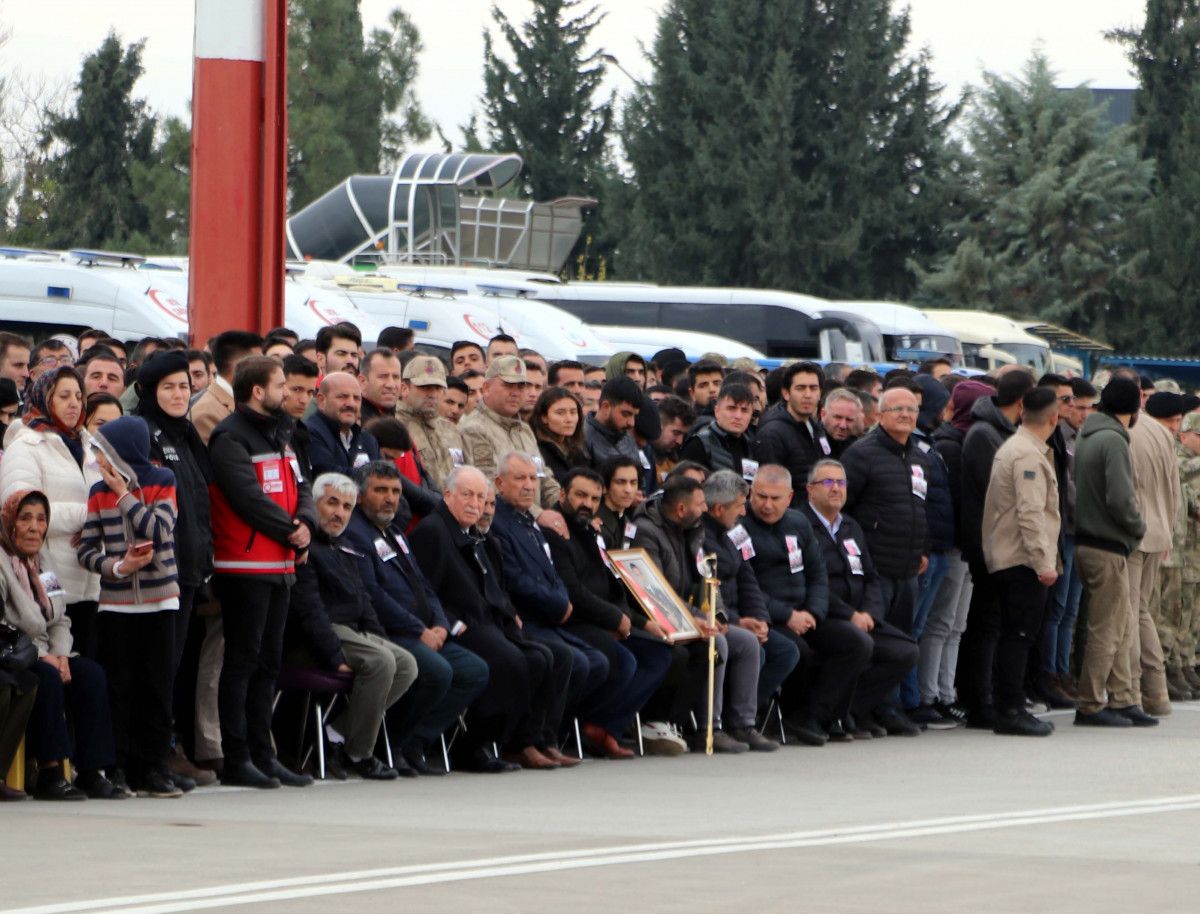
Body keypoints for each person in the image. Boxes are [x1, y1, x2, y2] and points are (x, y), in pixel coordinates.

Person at [410, 466, 569, 771]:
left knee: (546, 657)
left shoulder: (478, 535)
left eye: (481, 497)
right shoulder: (433, 531)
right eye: (467, 495)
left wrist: (510, 615)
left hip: (488, 620)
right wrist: (451, 624)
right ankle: (472, 746)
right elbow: (423, 590)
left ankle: (519, 742)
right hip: (458, 625)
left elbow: (495, 587)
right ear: (447, 495)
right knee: (510, 662)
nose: (475, 504)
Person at [208, 356, 316, 787]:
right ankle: (237, 757)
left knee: (269, 663)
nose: (288, 392)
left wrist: (306, 525)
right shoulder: (229, 437)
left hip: (281, 565)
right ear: (257, 391)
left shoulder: (282, 432)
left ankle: (262, 753)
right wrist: (294, 531)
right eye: (281, 385)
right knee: (242, 662)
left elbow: (302, 485)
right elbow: (247, 499)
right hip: (245, 565)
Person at [345, 461, 488, 774]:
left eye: (395, 491)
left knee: (474, 670)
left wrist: (439, 622)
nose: (390, 498)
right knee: (437, 671)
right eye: (380, 490)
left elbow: (423, 584)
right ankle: (390, 745)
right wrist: (418, 629)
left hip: (423, 629)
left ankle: (415, 741)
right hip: (391, 631)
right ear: (359, 496)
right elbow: (373, 595)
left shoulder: (395, 532)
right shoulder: (355, 533)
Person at [78, 416, 185, 796]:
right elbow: (87, 550)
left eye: (104, 452)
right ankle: (118, 765)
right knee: (119, 688)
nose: (99, 460)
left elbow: (159, 530)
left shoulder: (163, 481)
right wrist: (118, 567)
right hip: (117, 604)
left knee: (156, 688)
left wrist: (125, 496)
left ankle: (154, 767)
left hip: (160, 601)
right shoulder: (96, 492)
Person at [286, 473, 419, 780]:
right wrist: (334, 656)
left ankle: (336, 732)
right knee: (381, 663)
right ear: (313, 504)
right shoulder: (308, 548)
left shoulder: (343, 546)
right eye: (332, 503)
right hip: (315, 637)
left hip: (351, 631)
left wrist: (380, 638)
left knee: (406, 663)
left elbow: (363, 599)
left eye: (346, 506)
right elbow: (309, 610)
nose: (339, 513)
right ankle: (359, 753)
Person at [548, 467, 679, 757]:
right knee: (622, 659)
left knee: (660, 653)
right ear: (561, 495)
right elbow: (574, 591)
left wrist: (635, 620)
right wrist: (615, 619)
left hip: (605, 618)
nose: (588, 504)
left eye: (594, 498)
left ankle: (604, 725)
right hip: (575, 620)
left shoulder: (591, 531)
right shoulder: (556, 530)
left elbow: (613, 584)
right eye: (580, 495)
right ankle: (579, 727)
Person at [1, 490, 122, 800]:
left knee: (91, 675)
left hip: (51, 650)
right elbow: (5, 626)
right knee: (48, 679)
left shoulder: (44, 561)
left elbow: (60, 618)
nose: (34, 527)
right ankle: (49, 772)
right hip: (16, 651)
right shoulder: (2, 562)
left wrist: (61, 655)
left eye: (41, 519)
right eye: (25, 518)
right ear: (9, 522)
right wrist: (45, 657)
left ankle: (93, 772)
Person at [132, 352, 215, 788]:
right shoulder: (143, 433)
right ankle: (150, 759)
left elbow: (199, 505)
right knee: (157, 669)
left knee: (175, 668)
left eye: (184, 386)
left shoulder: (185, 435)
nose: (179, 394)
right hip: (157, 573)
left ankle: (164, 751)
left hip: (189, 571)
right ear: (147, 391)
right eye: (168, 387)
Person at [488, 453, 601, 766]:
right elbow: (514, 578)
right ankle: (524, 741)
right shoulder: (498, 521)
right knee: (565, 658)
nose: (528, 486)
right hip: (526, 617)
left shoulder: (530, 522)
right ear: (499, 483)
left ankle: (548, 737)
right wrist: (557, 603)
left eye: (532, 479)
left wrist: (563, 599)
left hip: (549, 615)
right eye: (519, 478)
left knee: (593, 661)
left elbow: (552, 572)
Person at [635, 476, 760, 753]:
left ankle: (742, 723)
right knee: (716, 644)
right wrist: (697, 618)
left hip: (691, 613)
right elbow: (657, 591)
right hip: (664, 615)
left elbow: (707, 578)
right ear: (681, 509)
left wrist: (719, 615)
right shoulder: (647, 531)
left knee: (747, 642)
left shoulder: (694, 530)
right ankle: (708, 727)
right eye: (701, 503)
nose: (706, 509)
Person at [802, 460, 921, 737]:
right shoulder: (801, 526)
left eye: (841, 483)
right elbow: (812, 583)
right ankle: (816, 716)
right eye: (828, 482)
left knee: (906, 651)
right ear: (810, 489)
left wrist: (869, 613)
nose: (836, 489)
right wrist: (849, 615)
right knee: (857, 643)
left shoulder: (851, 526)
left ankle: (849, 712)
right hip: (824, 616)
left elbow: (871, 578)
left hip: (860, 617)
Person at [981, 387, 1065, 737]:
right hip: (1021, 559)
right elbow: (1030, 513)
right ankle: (1010, 708)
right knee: (1018, 636)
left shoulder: (1022, 448)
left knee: (1016, 635)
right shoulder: (1027, 455)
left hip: (1015, 556)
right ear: (1054, 418)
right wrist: (1043, 562)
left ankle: (1011, 705)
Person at [0, 368, 101, 657]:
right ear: (45, 398)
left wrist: (98, 522)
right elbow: (18, 513)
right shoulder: (26, 447)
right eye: (64, 396)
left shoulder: (88, 446)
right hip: (50, 575)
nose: (74, 403)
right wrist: (90, 515)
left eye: (79, 396)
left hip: (91, 579)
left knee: (87, 670)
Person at [955, 370, 1034, 727]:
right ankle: (980, 699)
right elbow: (1000, 492)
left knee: (995, 623)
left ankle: (992, 695)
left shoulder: (1002, 432)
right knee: (985, 625)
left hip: (1000, 544)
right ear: (1021, 402)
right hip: (987, 544)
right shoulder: (985, 435)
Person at [1072, 377, 1153, 728]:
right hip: (1107, 544)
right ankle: (1090, 703)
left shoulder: (1090, 434)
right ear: (1134, 407)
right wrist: (1138, 527)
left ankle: (1122, 698)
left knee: (1118, 625)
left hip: (1091, 540)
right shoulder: (1114, 441)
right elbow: (1121, 499)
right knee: (1108, 629)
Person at [916, 380, 994, 727]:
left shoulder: (961, 440)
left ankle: (946, 693)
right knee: (940, 622)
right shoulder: (950, 444)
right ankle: (928, 694)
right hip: (952, 544)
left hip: (965, 545)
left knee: (955, 625)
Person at [700, 470, 795, 749]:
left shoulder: (731, 533)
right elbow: (708, 589)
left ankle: (743, 722)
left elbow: (747, 578)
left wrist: (760, 619)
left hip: (738, 617)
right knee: (742, 644)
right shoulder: (701, 536)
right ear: (719, 508)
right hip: (717, 618)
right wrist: (737, 620)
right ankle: (717, 725)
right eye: (740, 505)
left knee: (785, 650)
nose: (744, 511)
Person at [840, 386, 930, 643]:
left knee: (901, 642)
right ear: (880, 415)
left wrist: (924, 546)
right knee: (875, 643)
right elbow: (843, 510)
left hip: (908, 570)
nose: (905, 414)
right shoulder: (861, 454)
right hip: (875, 569)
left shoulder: (920, 457)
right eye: (897, 409)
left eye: (911, 409)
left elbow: (921, 506)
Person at [1040, 376, 1096, 705]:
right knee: (1058, 608)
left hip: (1078, 531)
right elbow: (1068, 490)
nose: (1075, 409)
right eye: (1068, 402)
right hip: (1066, 530)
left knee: (1070, 610)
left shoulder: (1078, 438)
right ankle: (1050, 673)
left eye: (1080, 404)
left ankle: (1063, 671)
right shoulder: (1056, 438)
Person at [1127, 391, 1183, 713]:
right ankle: (1157, 691)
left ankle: (1134, 690)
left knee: (1130, 612)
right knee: (1142, 611)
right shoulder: (1164, 438)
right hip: (1159, 533)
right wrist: (1169, 535)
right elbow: (1174, 492)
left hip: (1136, 534)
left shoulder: (1133, 432)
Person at [459, 355, 563, 526]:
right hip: (501, 524)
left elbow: (543, 477)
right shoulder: (475, 428)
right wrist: (538, 515)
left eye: (521, 386)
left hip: (533, 522)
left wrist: (565, 508)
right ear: (486, 388)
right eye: (508, 385)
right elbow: (491, 487)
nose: (516, 393)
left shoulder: (524, 430)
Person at [755, 362, 830, 502]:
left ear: (820, 393)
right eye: (800, 388)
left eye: (813, 388)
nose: (808, 395)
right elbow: (771, 489)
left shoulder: (816, 428)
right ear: (786, 393)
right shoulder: (772, 434)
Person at [395, 355, 466, 491]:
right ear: (404, 388)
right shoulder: (394, 427)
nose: (432, 394)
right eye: (425, 387)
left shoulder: (451, 429)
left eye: (438, 388)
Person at [191, 331, 263, 444]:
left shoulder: (251, 400)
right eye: (260, 364)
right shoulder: (206, 414)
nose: (264, 371)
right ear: (239, 366)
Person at [305, 371, 379, 479]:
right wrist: (375, 478)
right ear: (321, 400)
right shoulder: (310, 433)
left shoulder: (367, 439)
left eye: (356, 398)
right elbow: (329, 475)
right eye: (342, 397)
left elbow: (386, 477)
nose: (351, 404)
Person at [679, 382, 758, 480]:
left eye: (744, 410)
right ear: (717, 411)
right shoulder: (699, 444)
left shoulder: (750, 445)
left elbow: (750, 483)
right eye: (731, 408)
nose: (738, 416)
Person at [531, 387, 587, 484]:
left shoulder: (577, 452)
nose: (569, 419)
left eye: (573, 412)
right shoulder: (536, 451)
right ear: (544, 417)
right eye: (560, 413)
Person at [583, 377, 643, 467]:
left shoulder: (627, 437)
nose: (631, 423)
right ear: (605, 407)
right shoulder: (582, 441)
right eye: (626, 414)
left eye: (634, 415)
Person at [597, 455, 642, 549]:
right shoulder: (594, 523)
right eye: (621, 482)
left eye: (633, 482)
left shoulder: (628, 523)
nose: (628, 490)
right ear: (604, 487)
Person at [653, 395, 696, 487]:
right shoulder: (636, 457)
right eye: (676, 433)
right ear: (658, 425)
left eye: (683, 435)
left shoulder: (678, 463)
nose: (679, 441)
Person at [357, 348, 402, 424]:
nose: (391, 385)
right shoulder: (355, 420)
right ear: (362, 381)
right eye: (383, 376)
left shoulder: (398, 416)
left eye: (396, 377)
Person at [819, 388, 863, 456]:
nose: (843, 425)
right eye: (838, 417)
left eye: (849, 420)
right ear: (823, 414)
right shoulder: (808, 442)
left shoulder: (858, 449)